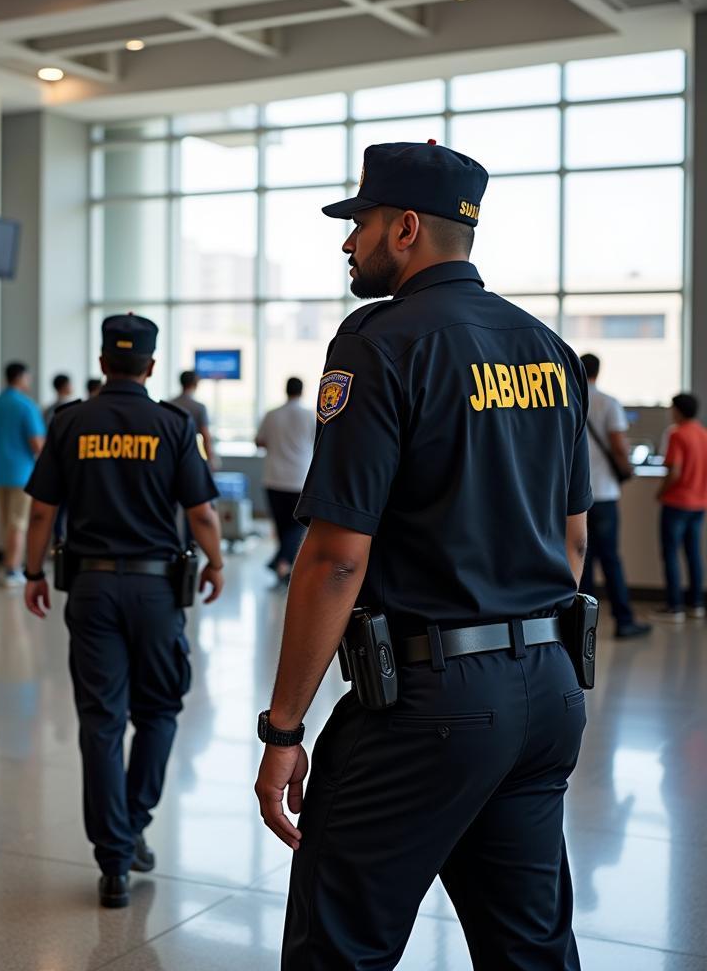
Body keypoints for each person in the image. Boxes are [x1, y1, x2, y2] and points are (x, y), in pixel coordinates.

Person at [253, 142, 593, 970]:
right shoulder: (545, 347)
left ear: (405, 228)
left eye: (359, 223)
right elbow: (573, 536)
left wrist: (284, 728)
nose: (347, 243)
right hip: (548, 694)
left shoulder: (381, 342)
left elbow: (336, 556)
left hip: (428, 704)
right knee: (531, 951)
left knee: (339, 947)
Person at [23, 314, 225, 910]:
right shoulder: (174, 423)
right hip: (157, 593)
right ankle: (135, 821)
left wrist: (33, 572)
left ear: (104, 361)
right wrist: (215, 562)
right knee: (160, 709)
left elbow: (41, 512)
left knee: (101, 720)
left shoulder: (70, 422)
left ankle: (113, 859)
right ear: (152, 367)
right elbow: (203, 513)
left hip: (90, 591)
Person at [578, 354, 650, 639]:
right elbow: (619, 447)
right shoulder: (608, 402)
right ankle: (623, 620)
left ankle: (579, 626)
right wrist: (627, 471)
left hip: (576, 496)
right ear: (599, 371)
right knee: (610, 559)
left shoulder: (570, 398)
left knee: (579, 558)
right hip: (605, 493)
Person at [0, 361, 45, 587]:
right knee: (19, 523)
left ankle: (8, 565)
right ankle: (12, 570)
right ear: (22, 378)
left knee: (6, 523)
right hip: (22, 474)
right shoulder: (26, 406)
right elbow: (37, 443)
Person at [256, 377, 315, 585]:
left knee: (282, 525)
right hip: (299, 479)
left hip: (273, 478)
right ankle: (284, 563)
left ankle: (281, 562)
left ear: (285, 390)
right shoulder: (310, 415)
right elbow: (318, 443)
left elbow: (259, 441)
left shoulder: (271, 415)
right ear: (302, 391)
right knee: (297, 526)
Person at [656, 392, 707, 622]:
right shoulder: (703, 434)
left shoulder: (678, 435)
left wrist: (661, 492)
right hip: (699, 503)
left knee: (671, 554)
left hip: (677, 503)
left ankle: (674, 607)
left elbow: (674, 471)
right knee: (693, 553)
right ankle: (696, 604)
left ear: (678, 410)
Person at [170, 371, 214, 466]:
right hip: (191, 457)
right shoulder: (199, 407)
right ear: (196, 384)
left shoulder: (169, 404)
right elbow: (205, 436)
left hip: (170, 455)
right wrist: (211, 459)